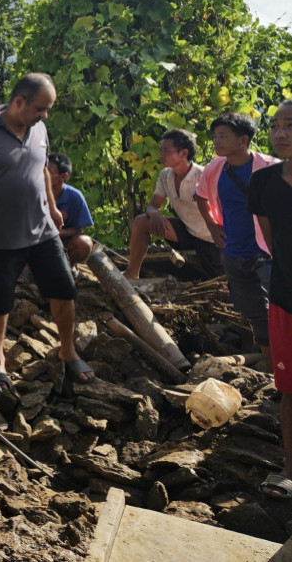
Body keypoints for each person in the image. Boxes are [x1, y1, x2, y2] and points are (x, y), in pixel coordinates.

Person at [0, 73, 94, 391]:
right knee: (0, 298)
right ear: (20, 102)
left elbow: (42, 169)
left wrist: (53, 208)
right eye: (41, 108)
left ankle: (67, 350)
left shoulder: (38, 128)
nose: (45, 115)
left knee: (64, 289)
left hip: (42, 230)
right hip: (2, 235)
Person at [195, 112, 279, 367]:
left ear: (243, 140)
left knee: (282, 311)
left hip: (269, 252)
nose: (216, 141)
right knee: (257, 318)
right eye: (215, 136)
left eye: (223, 136)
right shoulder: (215, 168)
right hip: (234, 253)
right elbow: (200, 196)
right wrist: (212, 226)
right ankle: (279, 375)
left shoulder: (271, 167)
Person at [248, 100, 292, 499]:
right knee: (289, 389)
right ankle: (289, 468)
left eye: (289, 125)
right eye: (275, 126)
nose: (280, 134)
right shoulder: (264, 183)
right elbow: (272, 240)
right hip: (285, 297)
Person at [125, 129, 224, 280]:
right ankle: (132, 272)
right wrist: (155, 213)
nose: (161, 155)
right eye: (160, 151)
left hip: (210, 238)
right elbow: (152, 205)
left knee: (219, 278)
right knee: (141, 222)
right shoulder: (165, 175)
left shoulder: (203, 175)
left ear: (183, 153)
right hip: (186, 232)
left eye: (166, 151)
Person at [46, 153, 94, 265]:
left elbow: (78, 229)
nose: (43, 175)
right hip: (36, 242)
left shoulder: (75, 196)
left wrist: (59, 233)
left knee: (84, 243)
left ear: (64, 177)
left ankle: (68, 267)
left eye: (49, 171)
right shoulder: (34, 193)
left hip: (63, 242)